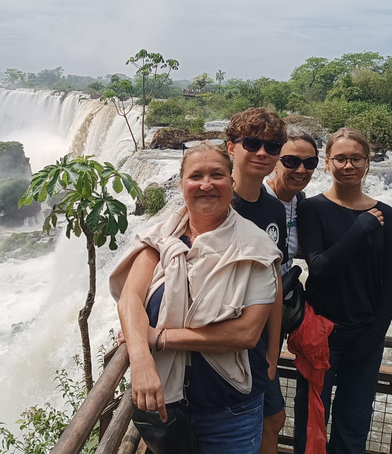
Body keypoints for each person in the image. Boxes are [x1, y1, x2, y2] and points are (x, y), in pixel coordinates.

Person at [110, 141, 282, 454]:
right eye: (195, 176)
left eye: (217, 175)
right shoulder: (162, 237)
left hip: (230, 412)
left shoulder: (255, 247)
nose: (206, 185)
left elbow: (245, 333)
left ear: (231, 182)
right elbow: (130, 299)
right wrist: (141, 359)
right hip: (167, 408)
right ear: (182, 184)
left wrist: (159, 338)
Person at [294, 127, 392, 454]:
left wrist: (373, 338)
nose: (348, 165)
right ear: (327, 163)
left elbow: (391, 282)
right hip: (320, 336)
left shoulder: (386, 215)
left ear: (368, 162)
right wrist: (361, 229)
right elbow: (320, 268)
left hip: (365, 336)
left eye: (356, 158)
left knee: (354, 427)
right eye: (340, 158)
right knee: (310, 423)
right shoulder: (312, 209)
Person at [224, 108, 290, 454]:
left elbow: (275, 284)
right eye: (252, 143)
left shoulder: (274, 209)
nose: (263, 152)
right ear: (231, 147)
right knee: (242, 425)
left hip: (259, 343)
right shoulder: (215, 202)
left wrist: (274, 350)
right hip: (219, 341)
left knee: (273, 419)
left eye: (272, 145)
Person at [264, 125, 319, 270]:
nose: (301, 170)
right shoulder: (256, 198)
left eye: (310, 163)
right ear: (275, 162)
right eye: (291, 161)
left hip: (287, 290)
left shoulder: (300, 202)